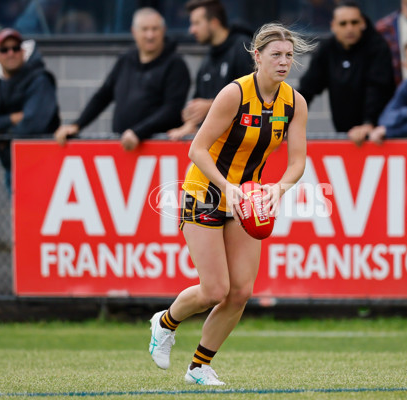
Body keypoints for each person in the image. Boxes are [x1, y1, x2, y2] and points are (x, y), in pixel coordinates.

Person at [148, 22, 314, 385]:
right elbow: (197, 149)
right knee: (215, 289)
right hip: (206, 190)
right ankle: (165, 322)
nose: (284, 62)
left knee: (240, 292)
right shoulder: (234, 94)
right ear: (257, 56)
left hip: (247, 198)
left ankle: (199, 367)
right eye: (276, 55)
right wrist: (227, 187)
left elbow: (298, 161)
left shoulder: (294, 102)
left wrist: (279, 188)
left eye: (289, 56)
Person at [54, 8, 190, 150]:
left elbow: (171, 109)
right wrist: (77, 125)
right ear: (134, 32)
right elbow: (103, 96)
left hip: (159, 150)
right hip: (123, 148)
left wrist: (139, 132)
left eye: (155, 29)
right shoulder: (125, 60)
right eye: (145, 29)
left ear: (164, 30)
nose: (150, 35)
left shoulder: (175, 64)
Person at [297, 0, 395, 145]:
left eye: (354, 22)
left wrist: (369, 123)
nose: (349, 28)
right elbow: (307, 89)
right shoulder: (327, 49)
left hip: (378, 135)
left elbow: (377, 89)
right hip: (344, 133)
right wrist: (286, 121)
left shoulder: (377, 47)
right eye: (343, 24)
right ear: (333, 26)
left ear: (363, 23)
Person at [0, 28, 60, 193]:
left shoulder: (39, 79)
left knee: (39, 216)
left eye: (15, 48)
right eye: (4, 49)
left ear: (22, 52)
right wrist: (10, 119)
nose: (10, 53)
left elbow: (32, 125)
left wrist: (1, 135)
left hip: (41, 163)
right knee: (18, 216)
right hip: (11, 165)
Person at [167, 0, 254, 140]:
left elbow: (254, 96)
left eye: (196, 23)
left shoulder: (242, 48)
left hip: (242, 144)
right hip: (217, 144)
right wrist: (191, 119)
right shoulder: (208, 59)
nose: (191, 30)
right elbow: (198, 99)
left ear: (213, 22)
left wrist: (210, 106)